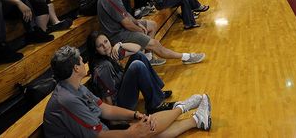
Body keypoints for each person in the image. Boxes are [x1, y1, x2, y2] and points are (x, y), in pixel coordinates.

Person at [44, 45, 212, 137]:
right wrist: (132, 132)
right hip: (100, 134)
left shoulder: (75, 87)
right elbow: (100, 136)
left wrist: (134, 115)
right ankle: (184, 108)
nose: (84, 63)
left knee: (147, 128)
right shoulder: (66, 100)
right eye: (82, 61)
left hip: (101, 131)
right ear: (75, 68)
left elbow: (106, 109)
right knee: (146, 131)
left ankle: (196, 119)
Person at [97, 0, 206, 65]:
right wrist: (139, 30)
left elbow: (126, 15)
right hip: (117, 34)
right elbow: (126, 23)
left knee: (152, 25)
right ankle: (186, 57)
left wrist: (137, 23)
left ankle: (148, 57)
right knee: (154, 44)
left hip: (121, 28)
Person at [87, 32, 175, 114]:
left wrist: (120, 44)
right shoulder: (103, 67)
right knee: (137, 65)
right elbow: (107, 97)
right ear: (95, 50)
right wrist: (116, 118)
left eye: (106, 41)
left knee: (139, 56)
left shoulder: (111, 54)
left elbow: (137, 49)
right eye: (100, 46)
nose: (105, 46)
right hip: (121, 104)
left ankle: (157, 93)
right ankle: (155, 105)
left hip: (123, 91)